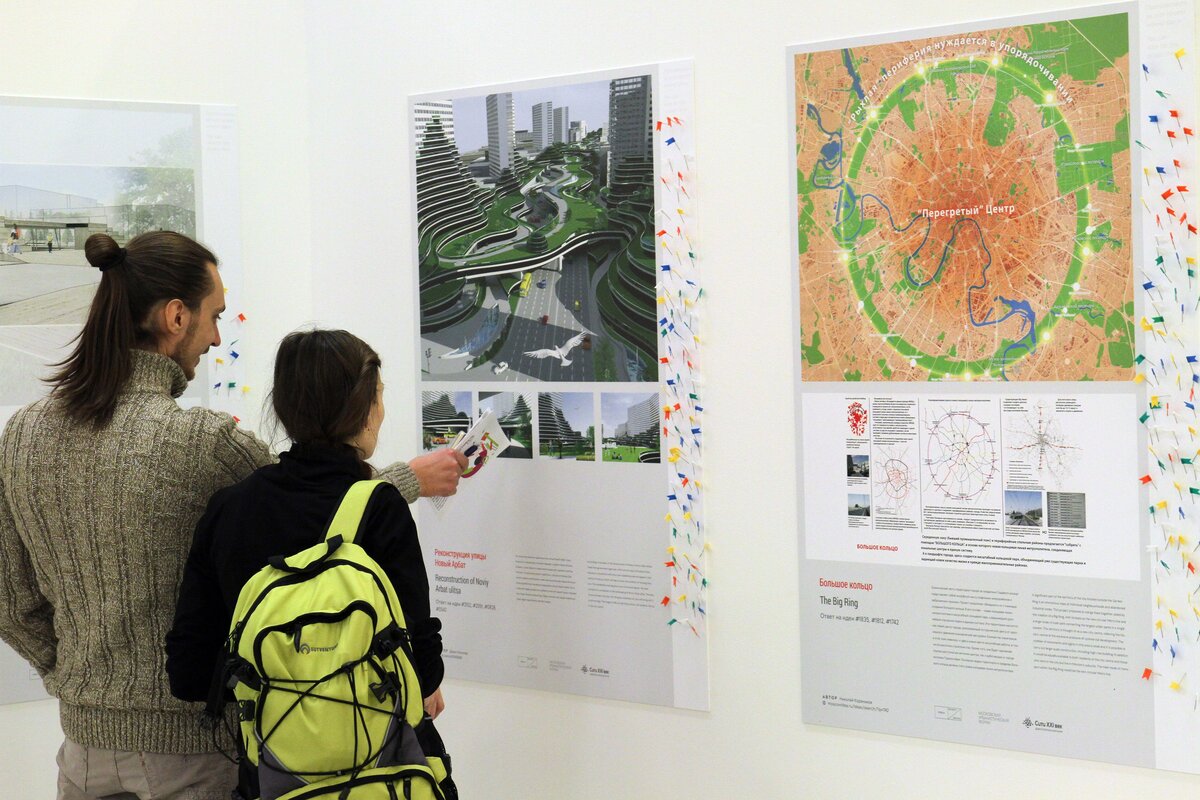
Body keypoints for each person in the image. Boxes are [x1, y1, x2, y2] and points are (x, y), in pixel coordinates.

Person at [0, 231, 466, 800]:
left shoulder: (23, 433)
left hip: (80, 753)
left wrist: (77, 676)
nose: (217, 337)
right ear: (176, 316)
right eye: (215, 315)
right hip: (194, 756)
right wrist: (405, 481)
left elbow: (9, 600)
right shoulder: (202, 444)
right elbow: (312, 511)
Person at [166, 329, 448, 799]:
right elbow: (422, 670)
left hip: (271, 781)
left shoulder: (229, 508)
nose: (382, 410)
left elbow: (190, 674)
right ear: (363, 409)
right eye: (379, 395)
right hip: (374, 777)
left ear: (284, 408)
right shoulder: (381, 508)